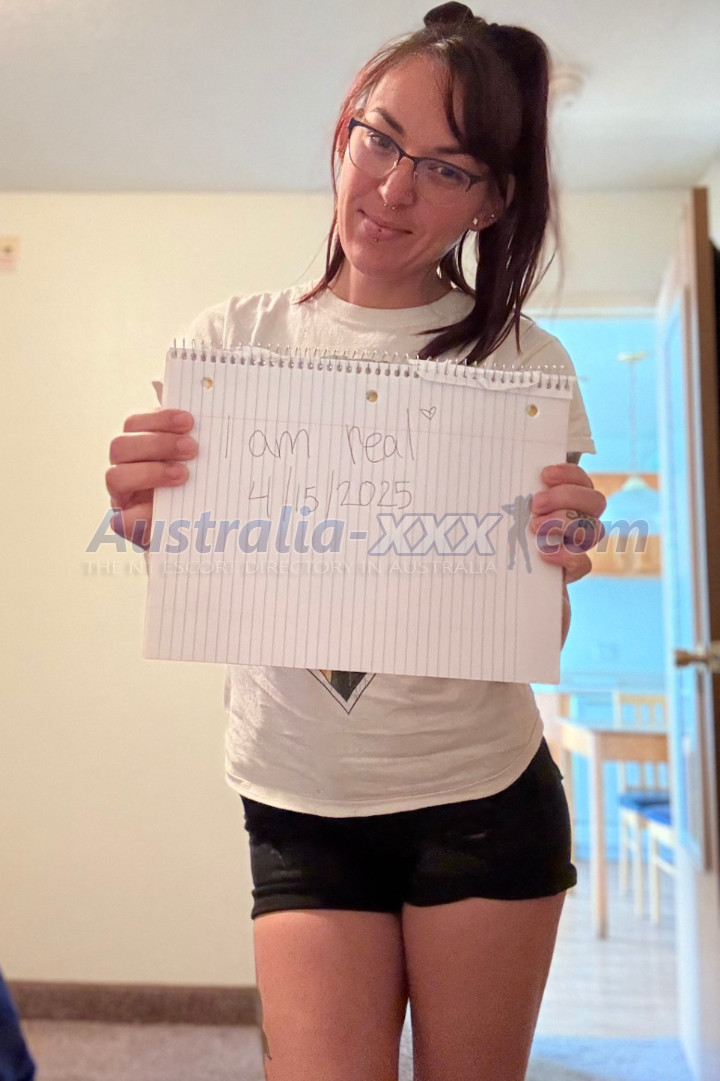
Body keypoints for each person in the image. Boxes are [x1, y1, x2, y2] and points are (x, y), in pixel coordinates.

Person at [106, 5, 606, 1079]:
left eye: (447, 168)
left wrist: (557, 560)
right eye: (380, 140)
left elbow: (543, 624)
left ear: (493, 199)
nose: (393, 188)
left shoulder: (525, 365)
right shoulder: (232, 343)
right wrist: (151, 525)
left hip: (482, 795)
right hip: (297, 799)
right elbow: (210, 570)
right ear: (344, 133)